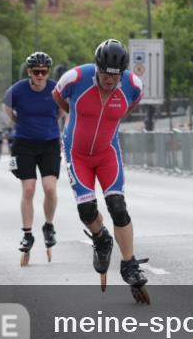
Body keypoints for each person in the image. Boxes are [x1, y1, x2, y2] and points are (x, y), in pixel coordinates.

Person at [53, 39, 150, 303]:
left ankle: (129, 264)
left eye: (115, 76)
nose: (110, 80)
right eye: (105, 74)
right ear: (97, 68)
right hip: (77, 154)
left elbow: (127, 108)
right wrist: (77, 117)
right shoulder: (75, 78)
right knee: (86, 210)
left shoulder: (133, 86)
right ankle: (100, 237)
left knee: (118, 206)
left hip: (108, 152)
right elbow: (59, 98)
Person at [4, 51, 62, 266]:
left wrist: (48, 126)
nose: (40, 75)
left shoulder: (56, 89)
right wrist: (23, 123)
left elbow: (61, 112)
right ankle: (27, 234)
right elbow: (8, 111)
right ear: (29, 72)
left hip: (49, 143)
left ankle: (48, 226)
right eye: (36, 71)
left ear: (48, 72)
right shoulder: (17, 90)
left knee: (49, 188)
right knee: (28, 189)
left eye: (43, 71)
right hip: (24, 144)